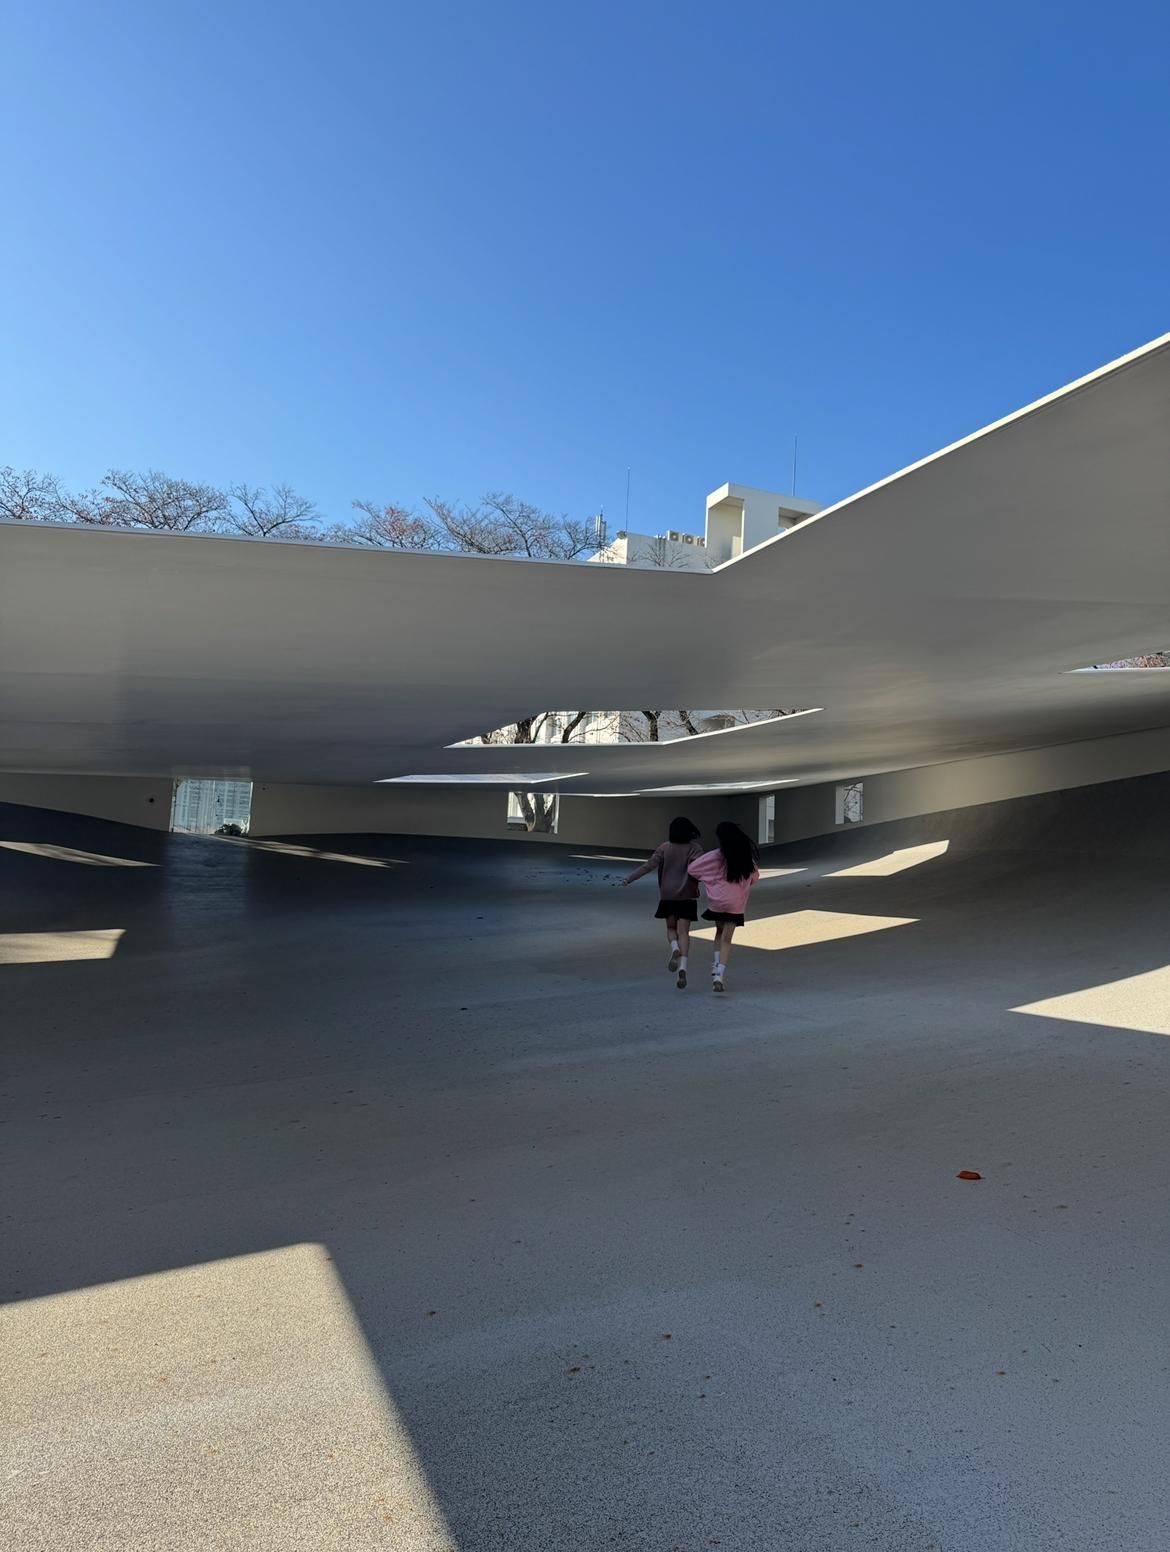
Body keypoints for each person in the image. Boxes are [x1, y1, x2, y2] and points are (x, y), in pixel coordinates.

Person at [622, 816, 703, 988]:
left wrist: (629, 878)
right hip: (687, 896)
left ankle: (674, 948)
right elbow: (702, 870)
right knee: (684, 932)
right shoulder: (695, 849)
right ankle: (683, 967)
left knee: (671, 929)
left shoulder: (665, 847)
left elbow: (648, 866)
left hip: (668, 896)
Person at [688, 821, 760, 993]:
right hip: (736, 904)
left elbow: (692, 869)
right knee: (727, 939)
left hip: (717, 901)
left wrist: (709, 878)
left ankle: (715, 966)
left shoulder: (715, 856)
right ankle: (719, 975)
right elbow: (755, 877)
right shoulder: (745, 857)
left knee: (718, 933)